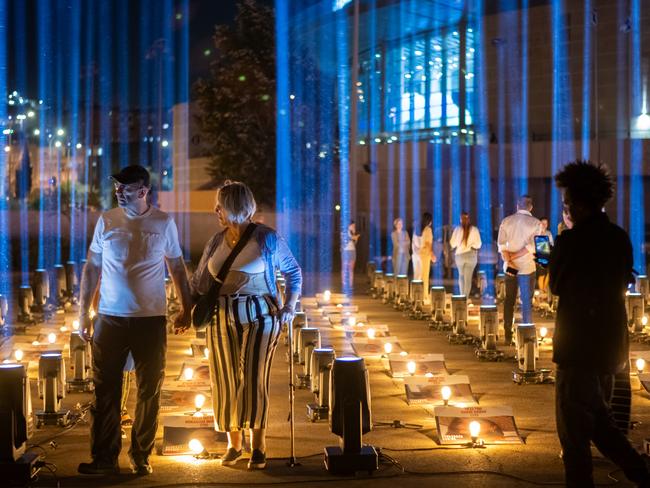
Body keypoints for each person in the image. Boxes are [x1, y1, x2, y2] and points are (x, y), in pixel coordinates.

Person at [77, 165, 192, 476]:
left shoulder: (163, 222)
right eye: (117, 187)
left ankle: (140, 456)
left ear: (142, 192)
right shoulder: (108, 220)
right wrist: (83, 315)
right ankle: (104, 458)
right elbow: (92, 268)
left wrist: (186, 308)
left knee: (149, 390)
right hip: (110, 319)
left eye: (125, 188)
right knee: (105, 391)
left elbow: (177, 268)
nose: (118, 192)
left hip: (150, 319)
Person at [549, 161, 650, 487]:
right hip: (610, 348)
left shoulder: (571, 240)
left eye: (566, 205)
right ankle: (642, 475)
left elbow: (556, 286)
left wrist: (559, 249)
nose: (566, 210)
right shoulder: (619, 237)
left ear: (578, 205)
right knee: (602, 426)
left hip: (577, 350)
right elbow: (622, 279)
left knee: (575, 439)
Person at [191, 181, 302, 470]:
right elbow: (200, 281)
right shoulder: (216, 241)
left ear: (237, 208)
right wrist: (185, 311)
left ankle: (259, 444)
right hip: (221, 314)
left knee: (253, 376)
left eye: (221, 205)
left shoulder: (267, 239)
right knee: (225, 378)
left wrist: (290, 305)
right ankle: (233, 444)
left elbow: (293, 272)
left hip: (260, 314)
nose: (216, 210)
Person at [497, 195, 542, 344]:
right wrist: (515, 257)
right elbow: (532, 247)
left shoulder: (506, 221)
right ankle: (526, 336)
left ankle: (508, 334)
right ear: (531, 207)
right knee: (526, 301)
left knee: (509, 300)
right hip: (527, 268)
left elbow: (502, 247)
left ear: (517, 206)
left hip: (511, 268)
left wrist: (510, 260)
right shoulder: (536, 223)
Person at [449, 212, 482, 298]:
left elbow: (452, 244)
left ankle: (461, 297)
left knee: (461, 276)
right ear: (469, 219)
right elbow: (478, 244)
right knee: (468, 279)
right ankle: (465, 298)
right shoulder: (474, 230)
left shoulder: (457, 229)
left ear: (460, 219)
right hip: (471, 255)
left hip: (459, 256)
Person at [418, 212, 436, 300]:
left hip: (421, 253)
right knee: (425, 275)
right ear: (430, 221)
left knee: (422, 275)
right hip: (425, 253)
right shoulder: (428, 229)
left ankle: (421, 294)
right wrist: (432, 254)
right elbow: (428, 243)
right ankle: (424, 295)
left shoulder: (423, 229)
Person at [536, 217, 554, 295]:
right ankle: (541, 290)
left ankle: (544, 289)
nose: (544, 225)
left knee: (549, 273)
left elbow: (552, 244)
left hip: (548, 255)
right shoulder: (536, 232)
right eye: (542, 223)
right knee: (541, 274)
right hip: (540, 255)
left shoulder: (548, 233)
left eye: (545, 223)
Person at [341, 221, 360, 291]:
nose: (354, 227)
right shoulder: (344, 232)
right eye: (353, 226)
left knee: (351, 269)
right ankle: (344, 285)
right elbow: (345, 241)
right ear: (349, 225)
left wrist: (355, 237)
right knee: (345, 269)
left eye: (354, 226)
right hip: (346, 251)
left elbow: (354, 243)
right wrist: (353, 237)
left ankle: (350, 285)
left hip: (352, 251)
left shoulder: (352, 233)